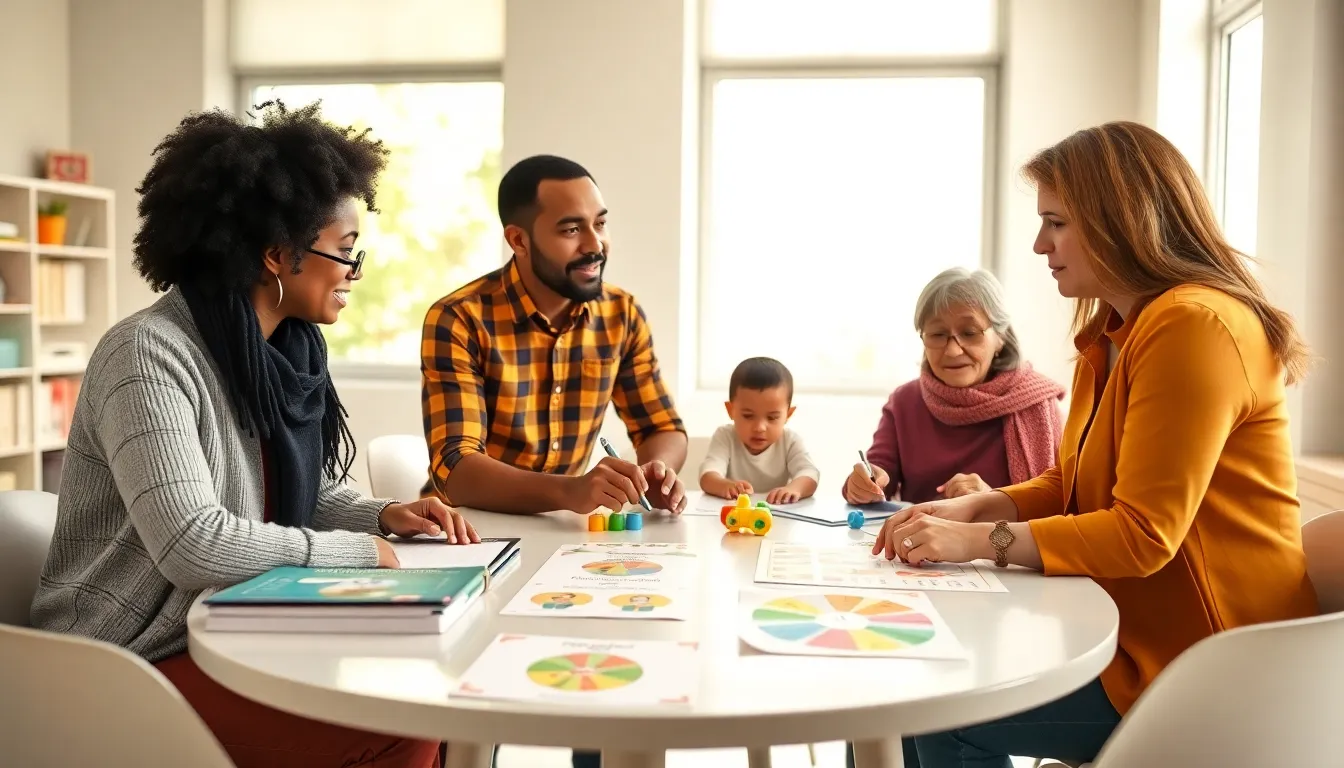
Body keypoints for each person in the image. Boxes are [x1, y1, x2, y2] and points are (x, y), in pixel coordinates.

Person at [30, 101, 480, 768]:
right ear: (278, 255)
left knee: (425, 691)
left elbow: (289, 495)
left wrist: (383, 516)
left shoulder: (279, 354)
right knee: (399, 728)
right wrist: (360, 552)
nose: (355, 272)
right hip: (127, 661)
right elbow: (192, 542)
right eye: (345, 252)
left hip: (229, 627)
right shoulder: (146, 355)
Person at [871, 121, 1318, 768]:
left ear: (1120, 220)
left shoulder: (1194, 326)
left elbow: (1142, 534)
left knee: (945, 712)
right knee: (914, 696)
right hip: (1137, 640)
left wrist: (975, 543)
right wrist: (977, 508)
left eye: (1056, 222)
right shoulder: (1112, 335)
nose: (1039, 244)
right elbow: (1072, 485)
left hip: (1209, 667)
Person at [421, 155, 689, 519]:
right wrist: (570, 490)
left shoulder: (621, 314)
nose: (595, 245)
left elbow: (661, 427)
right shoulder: (459, 318)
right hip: (469, 527)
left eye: (600, 224)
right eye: (572, 230)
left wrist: (655, 471)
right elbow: (456, 468)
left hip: (562, 527)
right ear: (519, 240)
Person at [843, 267, 1064, 506]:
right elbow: (878, 473)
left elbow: (1062, 503)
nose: (953, 350)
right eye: (938, 334)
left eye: (969, 333)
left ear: (1000, 337)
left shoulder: (1037, 404)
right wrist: (863, 484)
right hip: (920, 530)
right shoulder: (904, 401)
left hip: (1002, 531)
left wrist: (995, 501)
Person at [698, 357, 820, 504]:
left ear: (788, 415)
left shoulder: (790, 441)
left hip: (776, 513)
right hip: (735, 513)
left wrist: (794, 489)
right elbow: (707, 475)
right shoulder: (725, 436)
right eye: (748, 416)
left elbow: (810, 473)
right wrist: (725, 486)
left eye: (772, 417)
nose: (759, 428)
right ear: (731, 410)